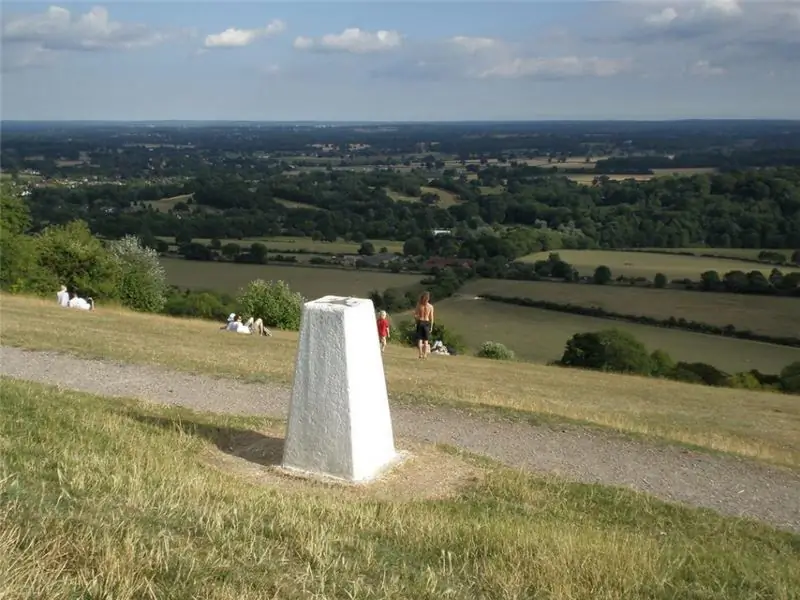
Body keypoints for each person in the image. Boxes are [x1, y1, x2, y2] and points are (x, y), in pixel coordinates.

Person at [413, 291, 434, 359]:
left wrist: (416, 320)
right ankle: (425, 354)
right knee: (426, 340)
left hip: (420, 321)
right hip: (427, 322)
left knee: (420, 339)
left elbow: (415, 315)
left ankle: (420, 354)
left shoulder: (419, 305)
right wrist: (431, 326)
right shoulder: (430, 306)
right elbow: (431, 317)